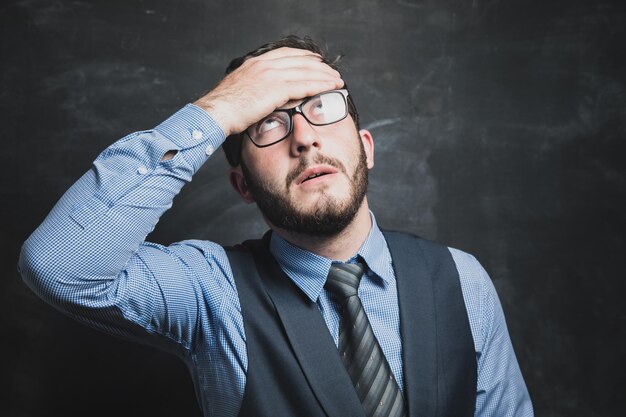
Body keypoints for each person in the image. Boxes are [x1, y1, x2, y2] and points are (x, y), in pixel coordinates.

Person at [19, 36, 533, 417]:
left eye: (322, 109)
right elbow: (60, 266)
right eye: (269, 122)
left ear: (367, 149)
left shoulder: (462, 280)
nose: (305, 138)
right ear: (242, 186)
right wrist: (216, 110)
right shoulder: (210, 292)